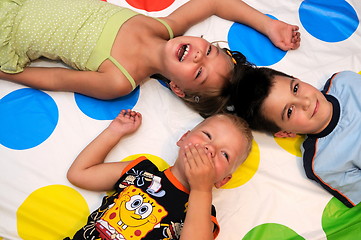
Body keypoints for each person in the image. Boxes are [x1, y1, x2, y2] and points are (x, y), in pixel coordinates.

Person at [0, 0, 300, 115]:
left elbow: (57, 78)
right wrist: (268, 25)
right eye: (208, 51)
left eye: (199, 72)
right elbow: (214, 2)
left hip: (7, 29)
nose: (197, 56)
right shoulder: (164, 27)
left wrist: (9, 74)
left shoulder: (120, 80)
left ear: (178, 88)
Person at [65, 109, 253, 239]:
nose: (210, 148)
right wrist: (114, 132)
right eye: (207, 135)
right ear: (183, 138)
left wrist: (201, 189)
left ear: (223, 181)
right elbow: (79, 174)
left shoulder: (202, 213)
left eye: (225, 154)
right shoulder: (141, 172)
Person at [231, 66, 361, 208]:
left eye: (295, 89)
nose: (305, 102)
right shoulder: (322, 164)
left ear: (297, 79)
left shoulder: (344, 80)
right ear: (285, 133)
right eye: (290, 111)